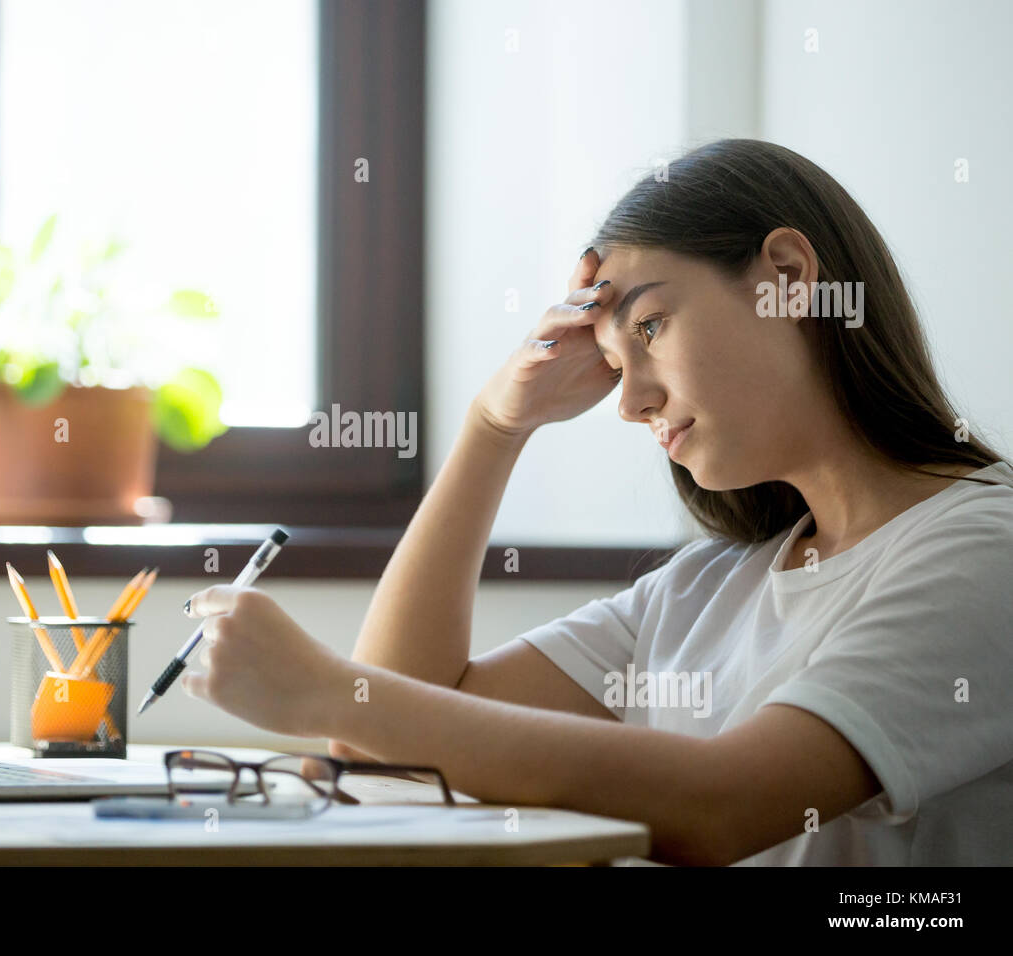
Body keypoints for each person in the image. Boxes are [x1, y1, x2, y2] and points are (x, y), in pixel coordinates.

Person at [178, 139, 1013, 866]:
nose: (630, 402)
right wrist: (493, 427)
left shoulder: (983, 548)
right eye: (615, 365)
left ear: (788, 279)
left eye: (649, 327)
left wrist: (322, 687)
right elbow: (374, 752)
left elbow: (724, 809)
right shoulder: (703, 590)